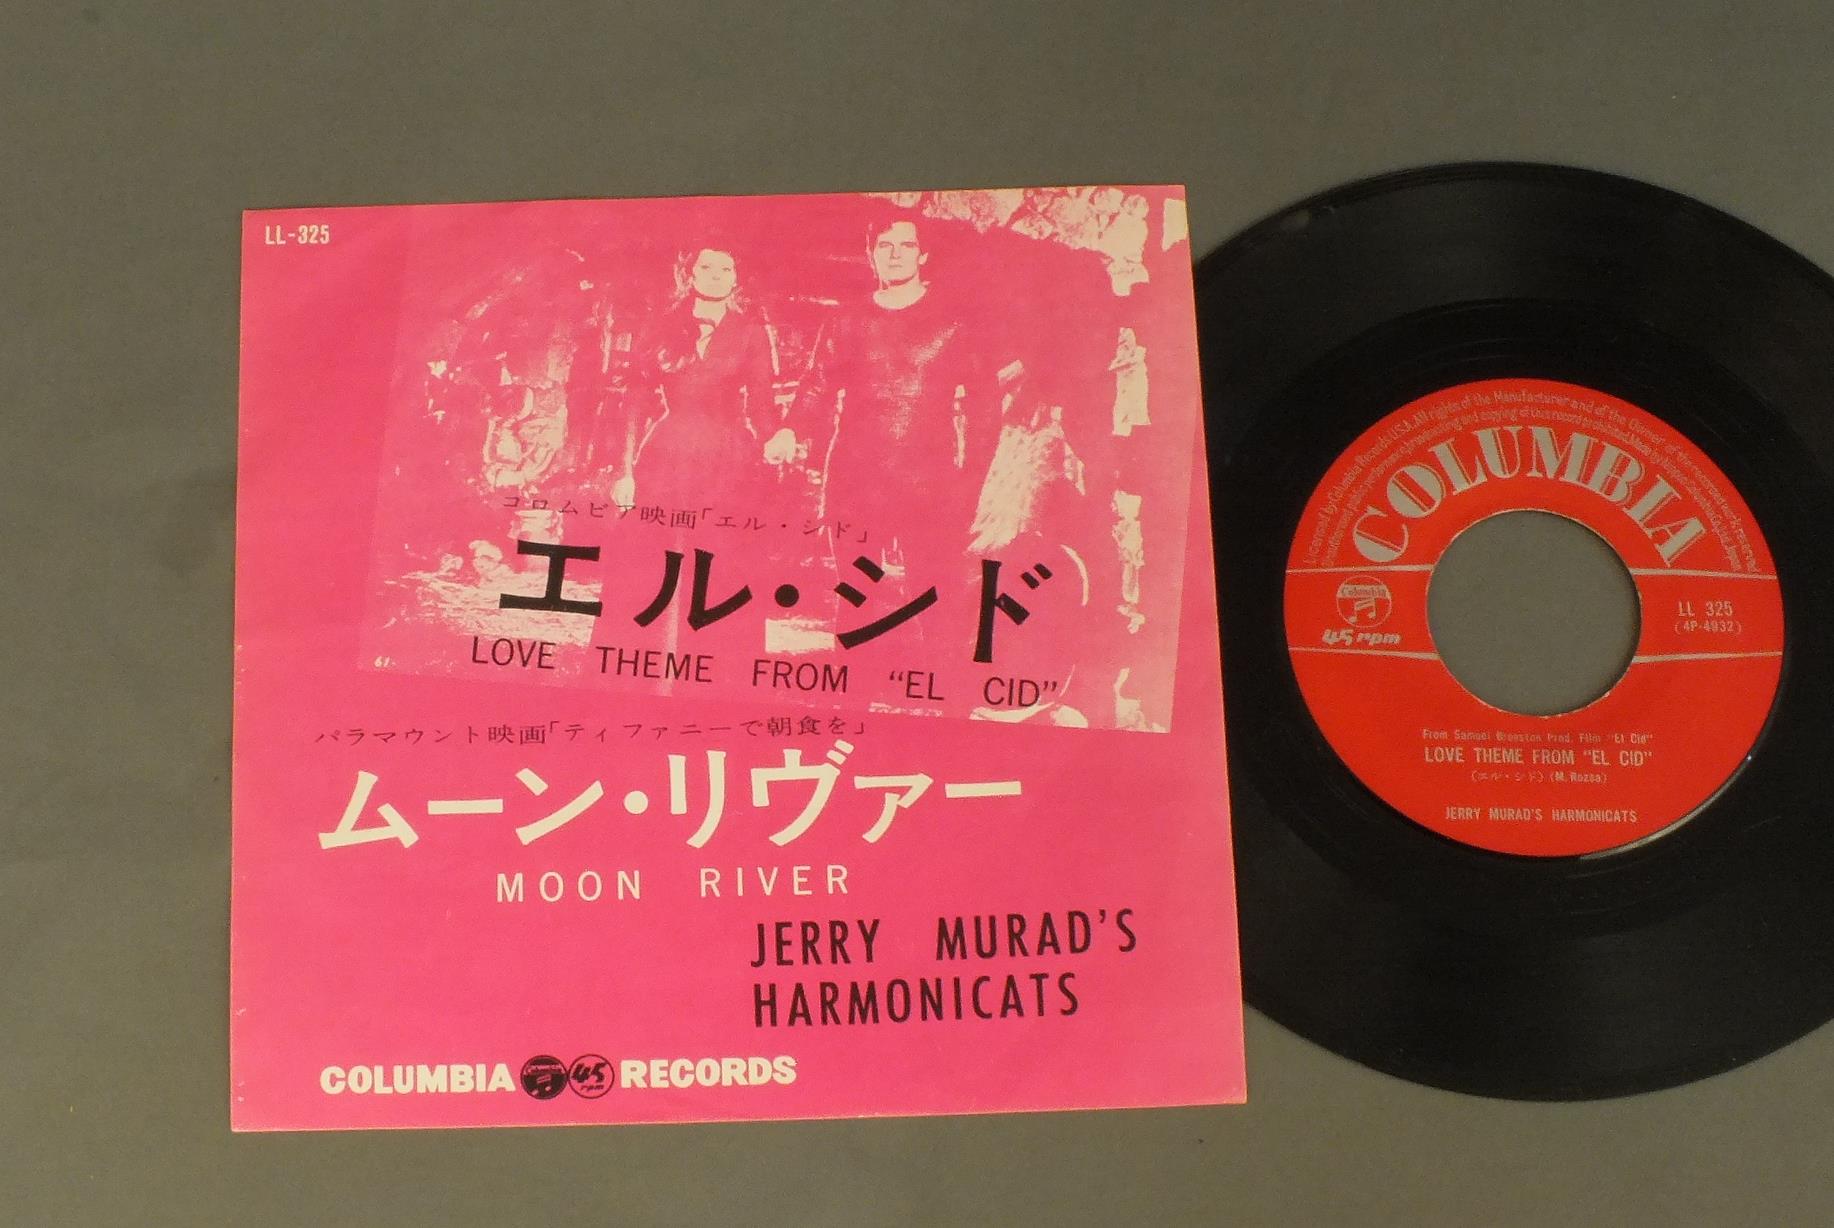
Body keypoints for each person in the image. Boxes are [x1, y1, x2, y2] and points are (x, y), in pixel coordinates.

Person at [766, 217, 995, 578]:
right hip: (855, 478)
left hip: (928, 480)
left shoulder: (954, 321)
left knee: (934, 595)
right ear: (871, 254)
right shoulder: (848, 319)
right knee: (856, 595)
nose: (895, 255)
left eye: (906, 245)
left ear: (923, 255)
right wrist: (790, 429)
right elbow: (818, 384)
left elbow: (985, 403)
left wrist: (971, 478)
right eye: (885, 246)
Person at [615, 246, 778, 511]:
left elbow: (762, 403)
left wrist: (772, 441)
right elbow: (634, 403)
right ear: (689, 275)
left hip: (728, 456)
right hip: (669, 454)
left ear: (735, 279)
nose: (716, 276)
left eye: (726, 269)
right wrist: (624, 472)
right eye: (706, 267)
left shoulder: (751, 332)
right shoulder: (662, 326)